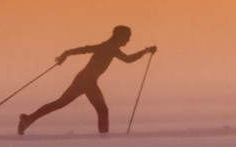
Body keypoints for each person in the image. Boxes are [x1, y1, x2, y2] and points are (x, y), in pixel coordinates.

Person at [18, 25, 156, 135]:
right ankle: (104, 138)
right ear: (119, 36)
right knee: (101, 110)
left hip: (86, 80)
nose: (128, 40)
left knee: (61, 103)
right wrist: (146, 51)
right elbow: (128, 59)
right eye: (127, 37)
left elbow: (86, 49)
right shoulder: (110, 47)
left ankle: (28, 119)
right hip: (86, 81)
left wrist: (66, 53)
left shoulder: (109, 46)